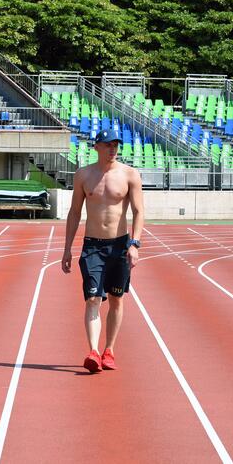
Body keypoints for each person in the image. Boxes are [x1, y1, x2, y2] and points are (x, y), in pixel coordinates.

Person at [62, 128, 144, 373]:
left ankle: (109, 350)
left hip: (119, 245)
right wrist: (67, 248)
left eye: (115, 145)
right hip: (93, 246)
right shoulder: (83, 175)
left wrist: (135, 244)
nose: (112, 149)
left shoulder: (130, 175)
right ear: (96, 146)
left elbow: (139, 211)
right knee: (93, 298)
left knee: (116, 299)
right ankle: (93, 351)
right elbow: (75, 212)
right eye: (107, 145)